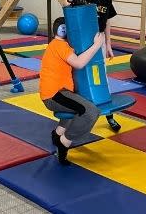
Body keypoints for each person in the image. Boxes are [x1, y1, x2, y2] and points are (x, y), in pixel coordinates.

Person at [40, 17, 104, 165]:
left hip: (58, 92)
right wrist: (97, 45)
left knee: (75, 107)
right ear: (64, 30)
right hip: (54, 95)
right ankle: (64, 141)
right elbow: (79, 63)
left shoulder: (56, 44)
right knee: (91, 112)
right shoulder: (60, 46)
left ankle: (57, 134)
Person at [67, 0, 120, 131]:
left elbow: (107, 21)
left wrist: (109, 45)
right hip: (79, 40)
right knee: (76, 75)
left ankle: (109, 114)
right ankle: (75, 113)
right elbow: (67, 8)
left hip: (98, 41)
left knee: (100, 75)